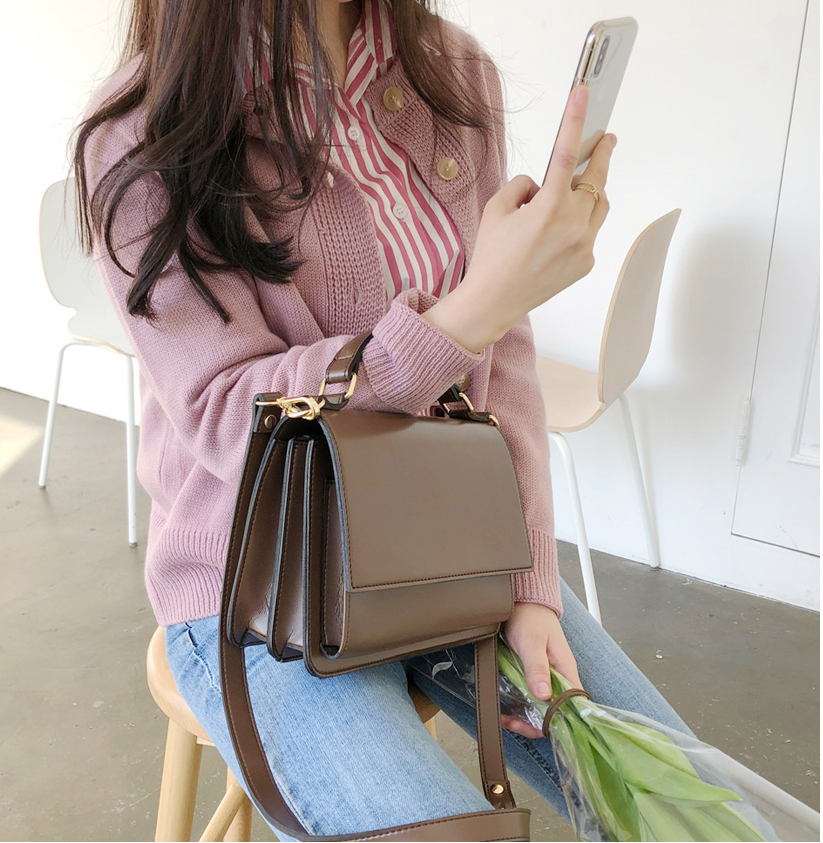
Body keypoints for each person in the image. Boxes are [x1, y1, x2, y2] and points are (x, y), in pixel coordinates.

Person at [72, 0, 697, 837]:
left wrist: (529, 584)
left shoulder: (451, 72)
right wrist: (465, 316)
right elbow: (226, 414)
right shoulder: (146, 128)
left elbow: (504, 360)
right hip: (263, 588)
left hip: (452, 548)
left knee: (693, 808)